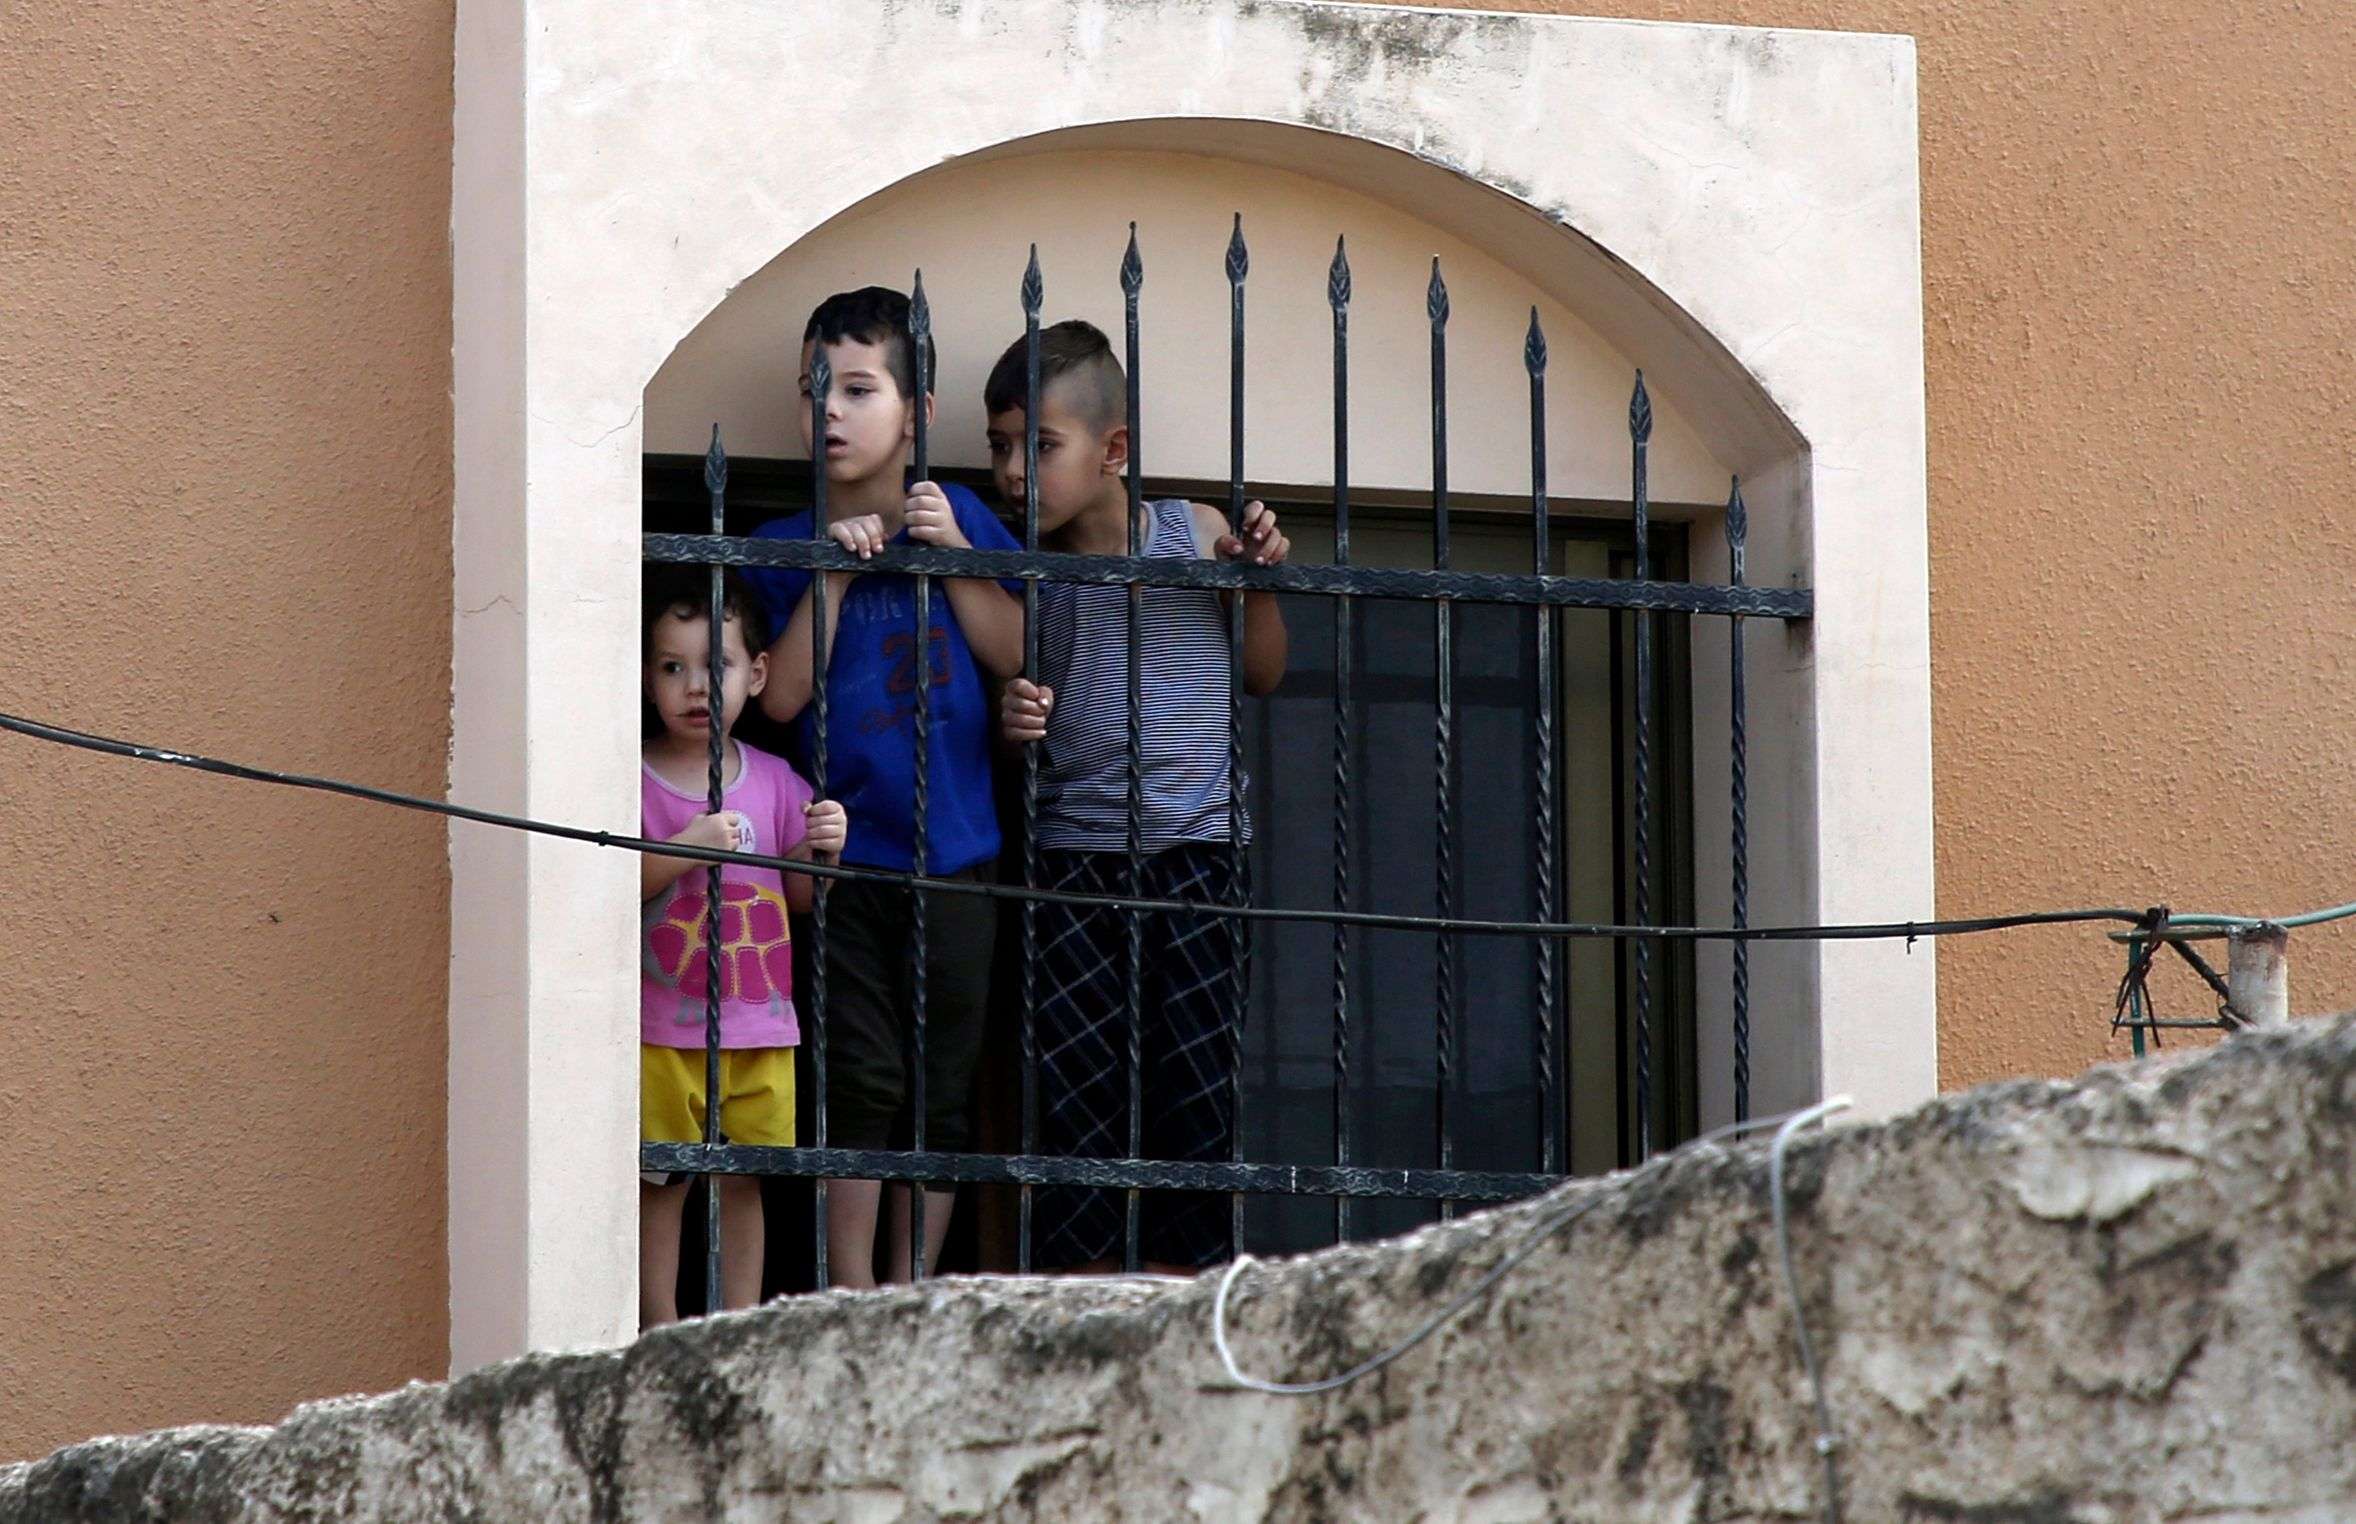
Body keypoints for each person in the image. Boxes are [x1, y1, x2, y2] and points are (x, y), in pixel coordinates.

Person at [989, 319, 1289, 1275]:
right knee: (1078, 1098)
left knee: (1196, 1091)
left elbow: (1266, 673)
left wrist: (1256, 584)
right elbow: (1021, 687)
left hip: (1197, 855)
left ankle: (1187, 1294)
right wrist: (1016, 717)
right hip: (1075, 859)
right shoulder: (1031, 574)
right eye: (999, 447)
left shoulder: (1192, 531)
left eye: (1037, 445)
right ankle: (1083, 1294)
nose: (1009, 471)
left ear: (1113, 450)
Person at [748, 286, 1026, 1288]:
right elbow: (775, 700)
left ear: (917, 409)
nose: (829, 409)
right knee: (857, 1077)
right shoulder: (783, 546)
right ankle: (851, 1288)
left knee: (943, 1082)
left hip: (957, 851)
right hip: (840, 860)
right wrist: (833, 574)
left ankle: (914, 1287)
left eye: (858, 389)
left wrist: (947, 553)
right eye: (815, 387)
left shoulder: (966, 522)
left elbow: (1019, 651)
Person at [639, 565, 846, 1327]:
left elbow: (801, 901)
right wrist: (687, 843)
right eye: (672, 667)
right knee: (661, 1183)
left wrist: (825, 856)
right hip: (661, 1024)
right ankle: (659, 1322)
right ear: (646, 678)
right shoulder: (631, 778)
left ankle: (737, 1324)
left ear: (756, 675)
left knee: (744, 1182)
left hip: (760, 1025)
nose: (696, 686)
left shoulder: (777, 781)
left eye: (716, 666)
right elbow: (612, 884)